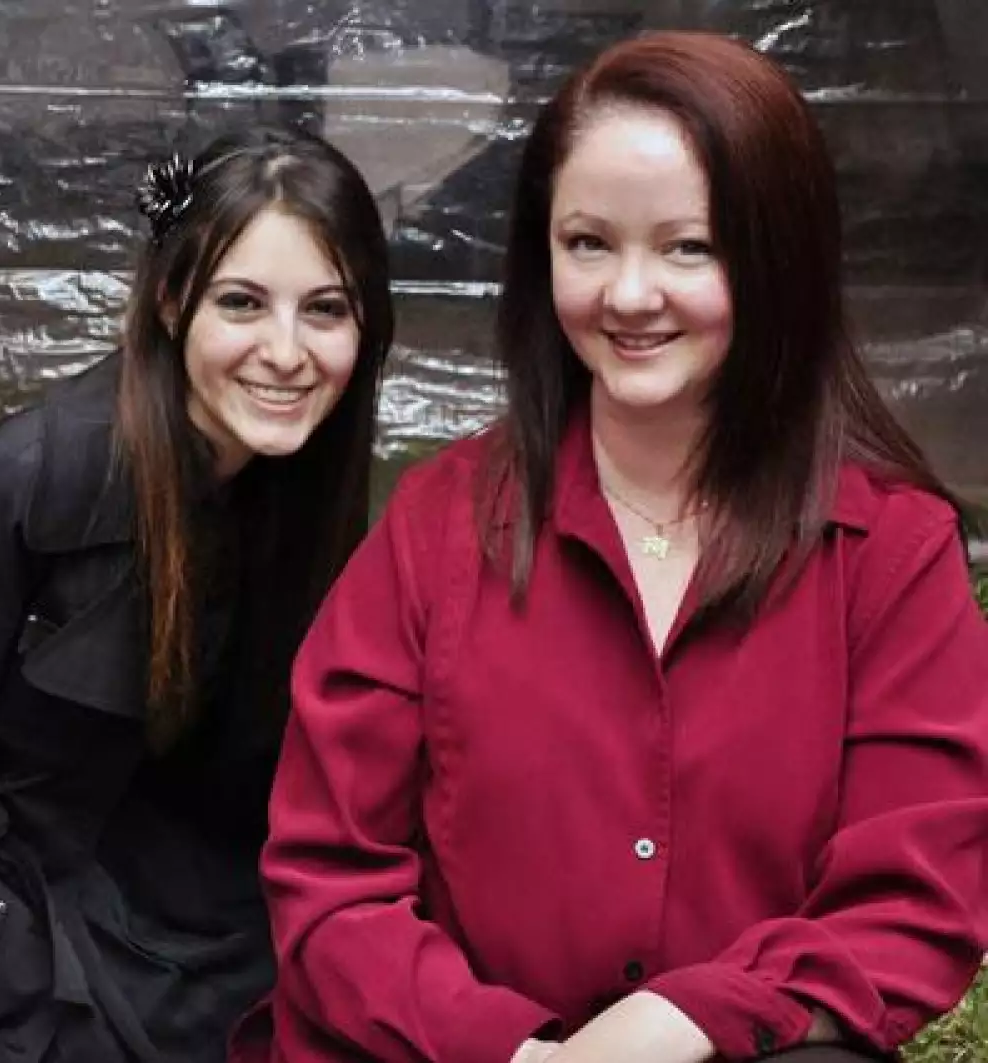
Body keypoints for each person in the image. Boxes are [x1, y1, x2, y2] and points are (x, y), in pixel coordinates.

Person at [245, 30, 988, 1063]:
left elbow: (912, 897)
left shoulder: (888, 551)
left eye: (688, 246)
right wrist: (514, 1049)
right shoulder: (436, 522)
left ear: (777, 255)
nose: (629, 295)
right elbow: (330, 881)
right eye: (587, 243)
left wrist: (677, 1020)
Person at [0, 124, 394, 1063]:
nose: (286, 350)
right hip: (18, 941)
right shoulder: (17, 483)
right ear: (169, 298)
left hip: (200, 927)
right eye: (241, 303)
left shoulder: (304, 487)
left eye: (326, 309)